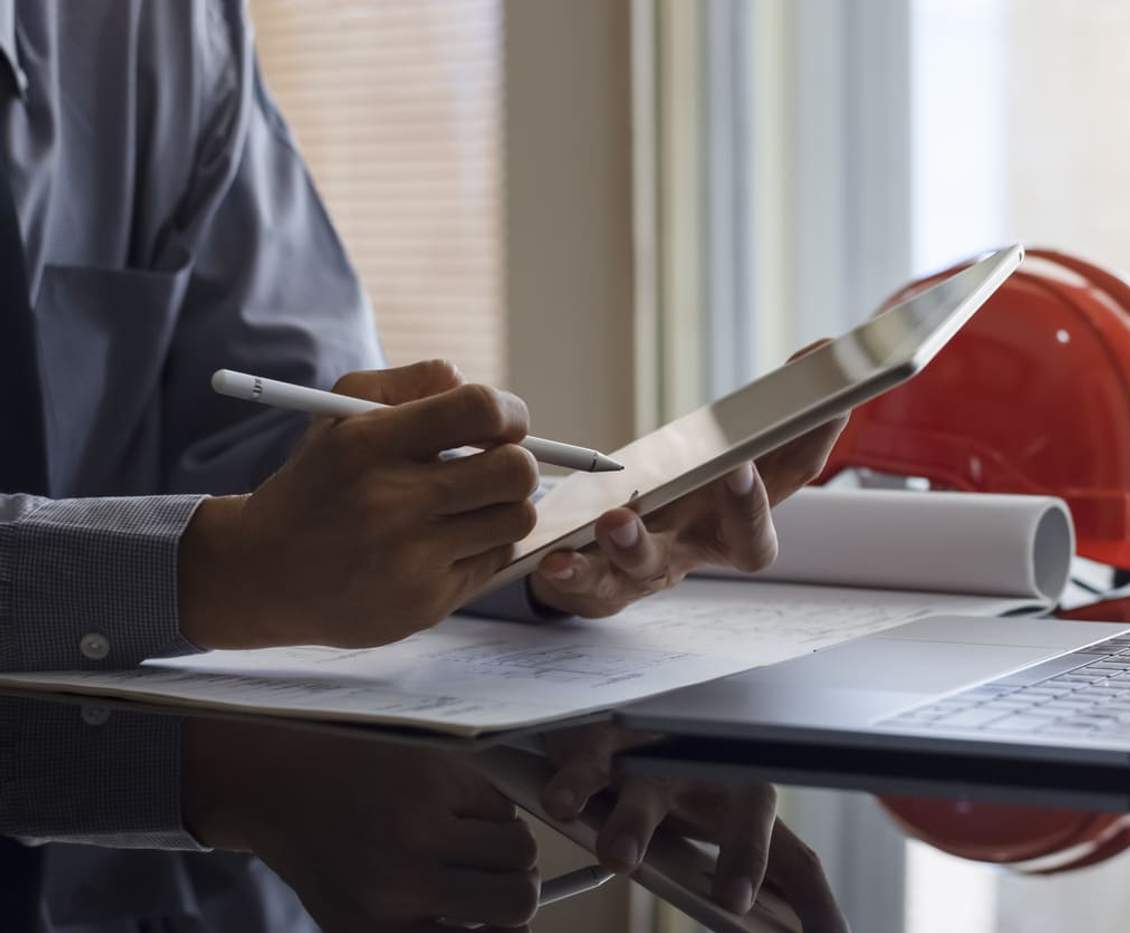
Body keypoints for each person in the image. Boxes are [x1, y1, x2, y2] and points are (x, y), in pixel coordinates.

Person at [0, 2, 844, 929]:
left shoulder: (151, 29)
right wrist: (222, 565)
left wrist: (531, 543)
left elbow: (286, 462)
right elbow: (252, 541)